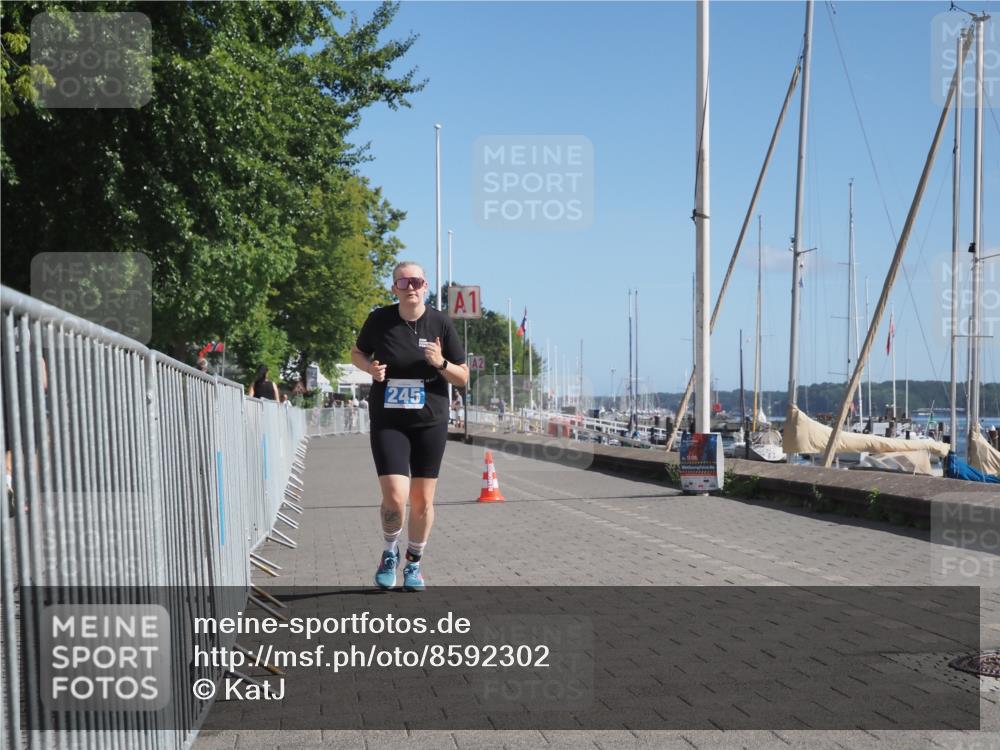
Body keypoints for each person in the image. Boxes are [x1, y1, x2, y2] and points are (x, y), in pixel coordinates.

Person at [351, 261, 468, 592]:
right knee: (395, 495)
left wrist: (440, 362)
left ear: (425, 286)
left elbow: (462, 376)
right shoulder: (380, 320)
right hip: (389, 419)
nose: (411, 287)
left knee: (422, 500)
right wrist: (370, 369)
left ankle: (414, 562)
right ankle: (390, 552)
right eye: (403, 283)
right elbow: (357, 353)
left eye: (416, 281)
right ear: (394, 288)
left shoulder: (440, 323)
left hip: (429, 420)